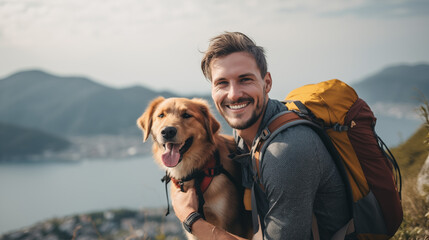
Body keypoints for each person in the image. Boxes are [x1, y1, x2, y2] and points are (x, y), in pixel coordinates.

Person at [171, 32, 351, 240]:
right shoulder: (245, 135)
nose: (233, 94)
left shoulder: (286, 152)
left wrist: (190, 218)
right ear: (212, 90)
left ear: (267, 83)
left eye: (245, 80)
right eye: (222, 83)